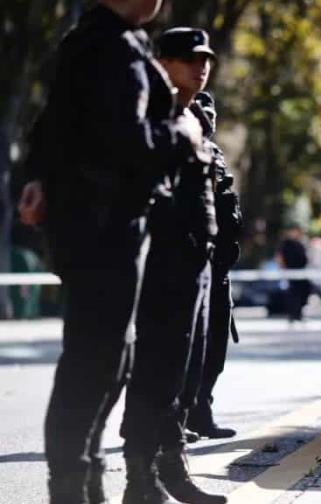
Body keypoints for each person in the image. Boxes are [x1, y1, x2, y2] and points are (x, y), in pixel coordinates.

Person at [17, 1, 205, 503]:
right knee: (94, 361)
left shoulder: (95, 41)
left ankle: (85, 486)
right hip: (103, 227)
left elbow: (52, 124)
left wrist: (36, 177)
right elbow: (127, 144)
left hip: (100, 224)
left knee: (109, 360)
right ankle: (73, 491)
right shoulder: (109, 48)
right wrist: (182, 133)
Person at [118, 27, 225, 504]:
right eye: (188, 59)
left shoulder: (196, 116)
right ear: (162, 63)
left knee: (187, 368)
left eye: (205, 59)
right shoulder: (148, 113)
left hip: (197, 260)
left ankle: (172, 467)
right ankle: (139, 477)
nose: (200, 67)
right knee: (155, 369)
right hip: (161, 258)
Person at [185, 90, 242, 442]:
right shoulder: (180, 146)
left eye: (211, 112)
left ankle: (201, 411)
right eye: (201, 110)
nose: (209, 117)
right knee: (185, 345)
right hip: (190, 261)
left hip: (219, 264)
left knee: (215, 344)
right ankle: (174, 419)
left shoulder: (215, 153)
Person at [276, 224, 311, 322]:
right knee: (292, 294)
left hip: (301, 273)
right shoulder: (285, 244)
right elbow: (279, 257)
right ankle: (293, 315)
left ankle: (299, 314)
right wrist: (283, 270)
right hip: (290, 273)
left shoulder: (300, 244)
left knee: (303, 292)